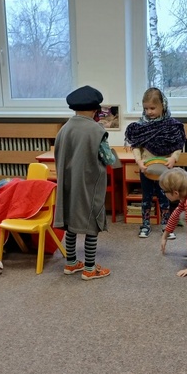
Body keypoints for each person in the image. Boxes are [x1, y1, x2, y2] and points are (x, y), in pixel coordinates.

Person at [54, 85, 115, 280]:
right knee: (91, 225)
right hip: (88, 185)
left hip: (68, 186)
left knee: (71, 223)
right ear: (95, 109)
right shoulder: (96, 130)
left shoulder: (64, 129)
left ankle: (71, 263)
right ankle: (90, 268)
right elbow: (109, 159)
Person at [124, 87, 186, 239]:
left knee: (164, 197)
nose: (149, 112)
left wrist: (173, 158)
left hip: (164, 171)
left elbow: (178, 146)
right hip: (146, 169)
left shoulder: (171, 126)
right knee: (146, 198)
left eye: (153, 108)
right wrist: (139, 161)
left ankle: (166, 225)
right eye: (146, 108)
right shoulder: (140, 127)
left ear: (162, 105)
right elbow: (136, 147)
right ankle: (145, 225)